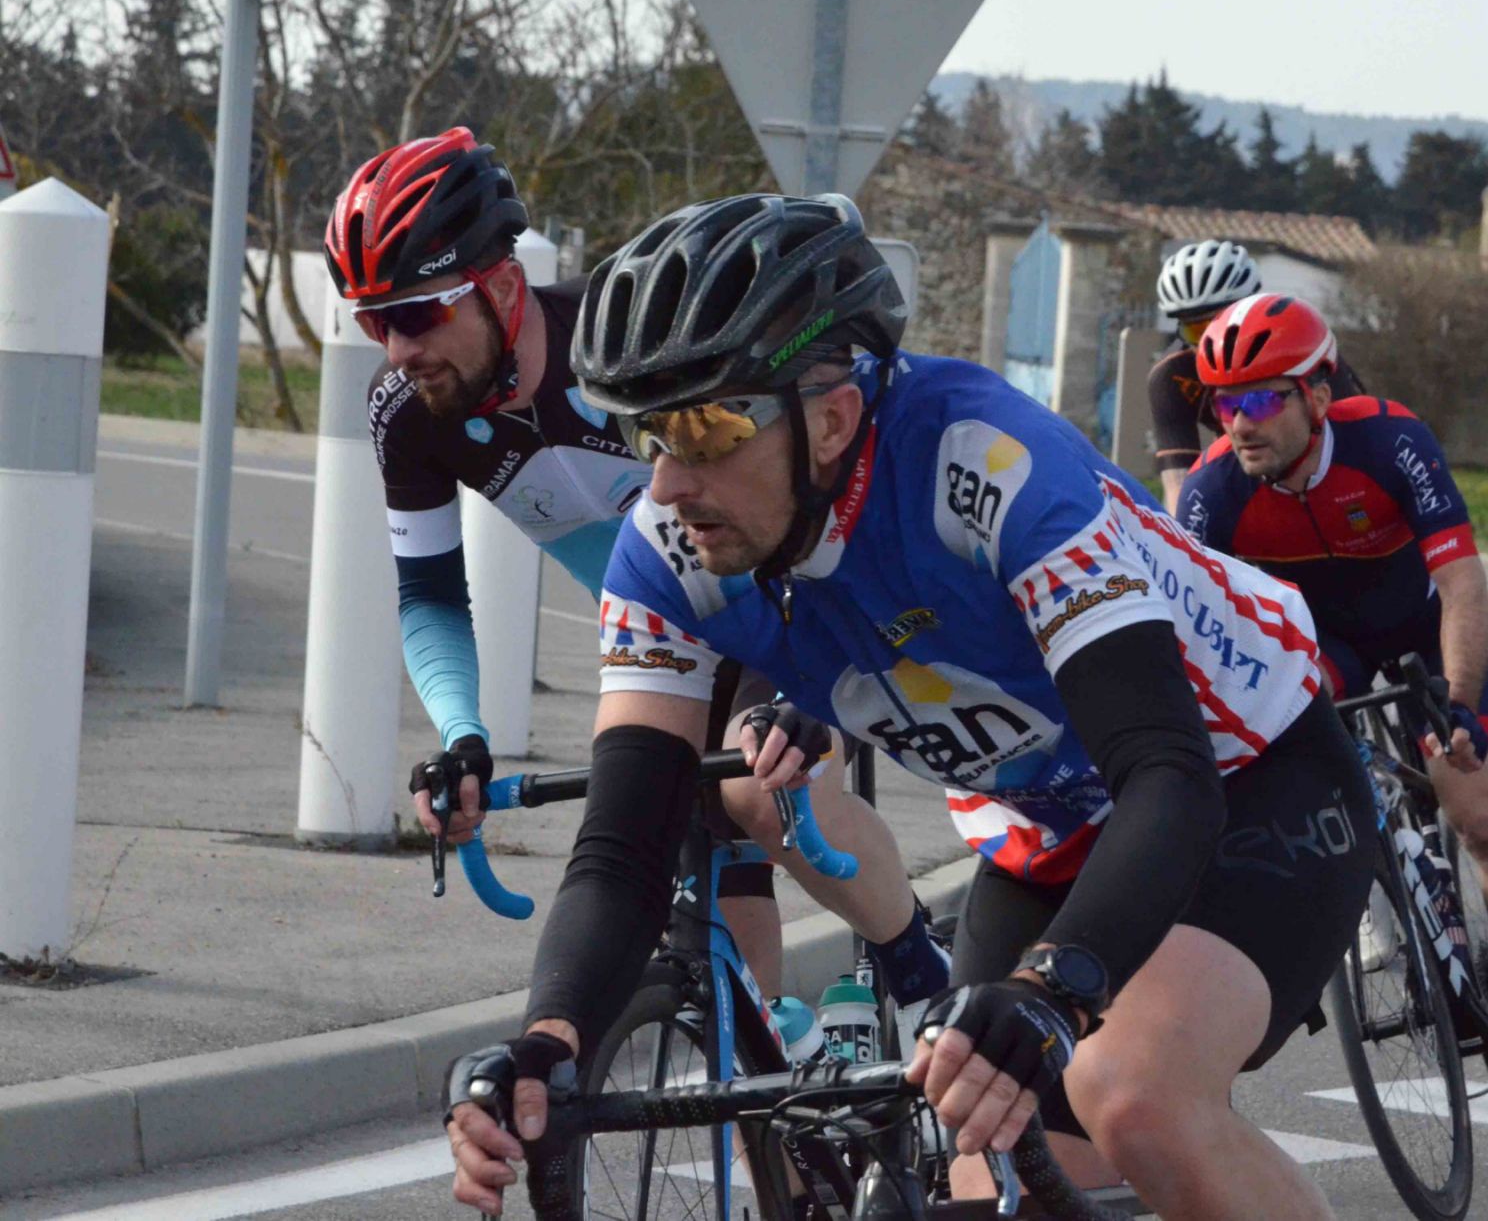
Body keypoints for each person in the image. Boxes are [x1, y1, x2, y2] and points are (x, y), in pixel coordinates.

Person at [441, 192, 1374, 1220]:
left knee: (1132, 1094)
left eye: (703, 428)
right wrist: (550, 1040)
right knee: (980, 1173)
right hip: (1046, 836)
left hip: (1248, 782)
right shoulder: (666, 554)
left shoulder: (987, 463)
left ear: (831, 416)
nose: (664, 485)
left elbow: (1166, 776)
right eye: (645, 432)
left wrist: (1052, 992)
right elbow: (624, 847)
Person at [325, 130, 941, 1001]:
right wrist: (464, 738)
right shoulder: (408, 412)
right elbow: (428, 593)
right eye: (375, 322)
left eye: (417, 315)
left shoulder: (620, 343)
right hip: (658, 640)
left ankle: (922, 968)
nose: (397, 349)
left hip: (784, 613)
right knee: (696, 880)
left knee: (756, 797)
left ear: (503, 286)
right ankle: (759, 1067)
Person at [1175, 291, 1488, 1121]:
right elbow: (1195, 641)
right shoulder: (1211, 493)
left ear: (1317, 395)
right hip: (1320, 646)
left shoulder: (1390, 440)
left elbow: (1462, 584)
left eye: (1261, 399)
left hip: (1423, 630)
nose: (1241, 423)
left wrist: (1460, 704)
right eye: (1225, 405)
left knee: (1478, 811)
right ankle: (1378, 873)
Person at [1148, 238, 1362, 514]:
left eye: (1221, 320)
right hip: (1244, 470)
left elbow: (1355, 446)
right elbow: (1179, 484)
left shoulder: (1303, 347)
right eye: (1196, 331)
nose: (1214, 339)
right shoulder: (1171, 375)